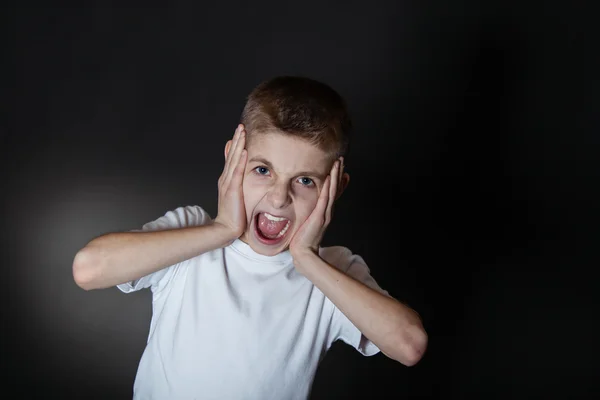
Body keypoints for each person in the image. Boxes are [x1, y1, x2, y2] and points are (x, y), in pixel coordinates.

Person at [72, 76, 428, 399]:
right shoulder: (191, 231)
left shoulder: (333, 271)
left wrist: (306, 260)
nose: (278, 198)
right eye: (262, 170)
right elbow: (89, 268)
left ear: (335, 190)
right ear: (233, 160)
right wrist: (221, 230)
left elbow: (410, 344)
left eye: (305, 181)